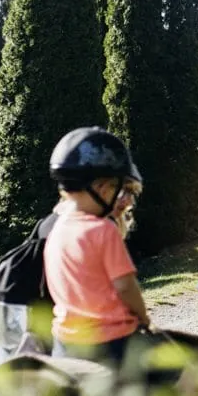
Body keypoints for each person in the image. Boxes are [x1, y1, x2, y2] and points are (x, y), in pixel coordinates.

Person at [43, 127, 153, 367]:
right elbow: (125, 287)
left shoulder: (57, 230)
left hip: (64, 344)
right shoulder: (102, 230)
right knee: (182, 376)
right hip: (112, 343)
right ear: (103, 187)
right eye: (116, 188)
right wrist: (143, 317)